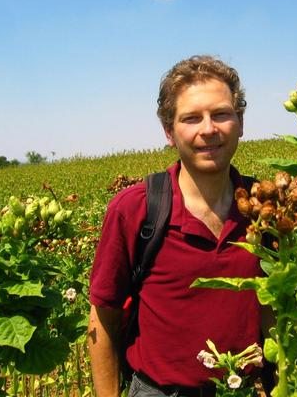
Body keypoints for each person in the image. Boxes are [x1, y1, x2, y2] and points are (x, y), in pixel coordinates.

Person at [88, 55, 268, 397]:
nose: (208, 129)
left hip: (244, 389)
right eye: (191, 118)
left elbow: (276, 312)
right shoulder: (137, 209)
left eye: (221, 114)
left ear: (240, 122)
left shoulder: (266, 209)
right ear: (169, 132)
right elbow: (103, 319)